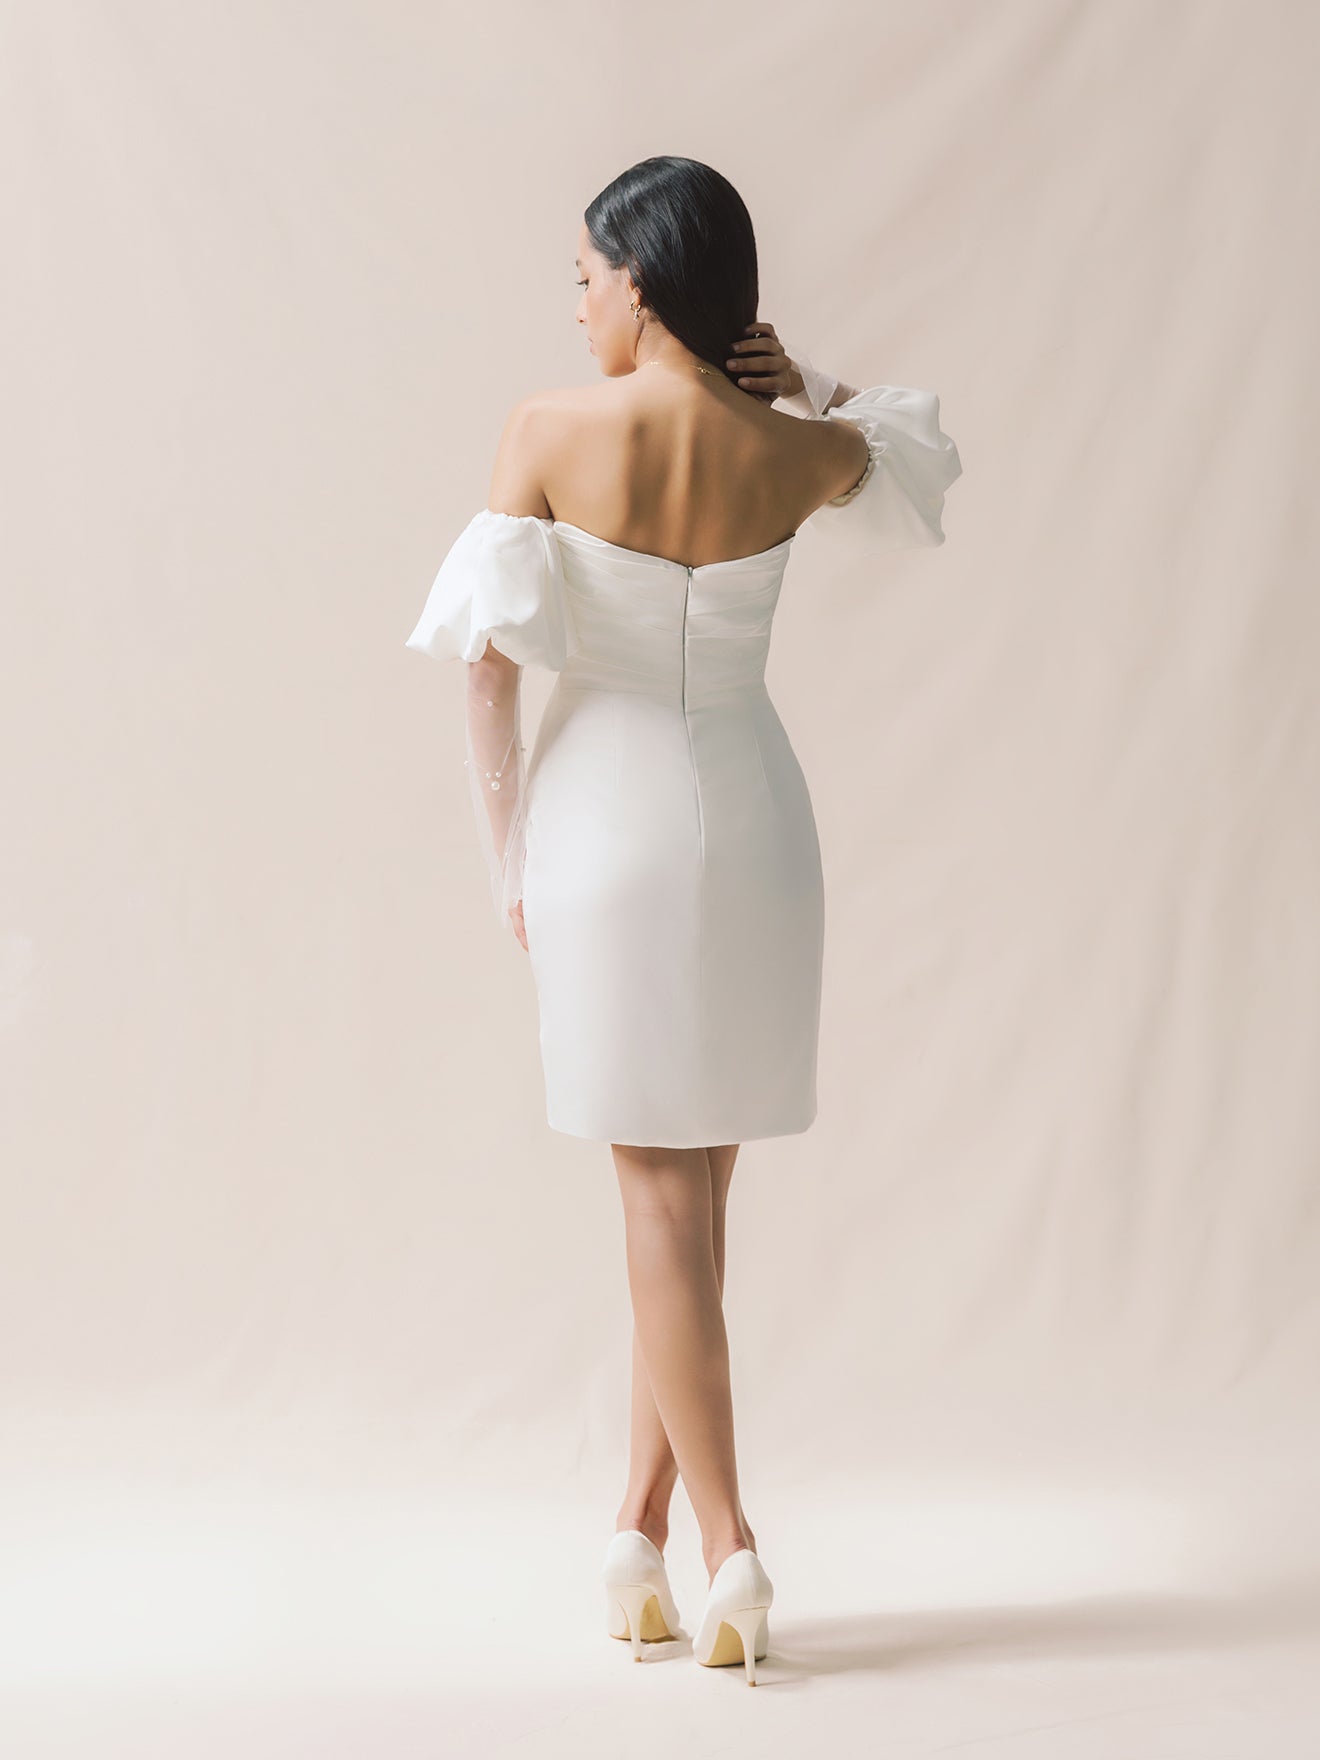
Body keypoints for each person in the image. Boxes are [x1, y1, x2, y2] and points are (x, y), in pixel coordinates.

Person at [405, 155, 962, 1683]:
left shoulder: (547, 430)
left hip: (607, 825)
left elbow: (485, 669)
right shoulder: (794, 451)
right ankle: (633, 1537)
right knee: (695, 1207)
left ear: (642, 281)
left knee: (657, 1200)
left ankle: (734, 1553)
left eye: (586, 274)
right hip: (759, 822)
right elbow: (908, 472)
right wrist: (818, 381)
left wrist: (507, 853)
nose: (578, 300)